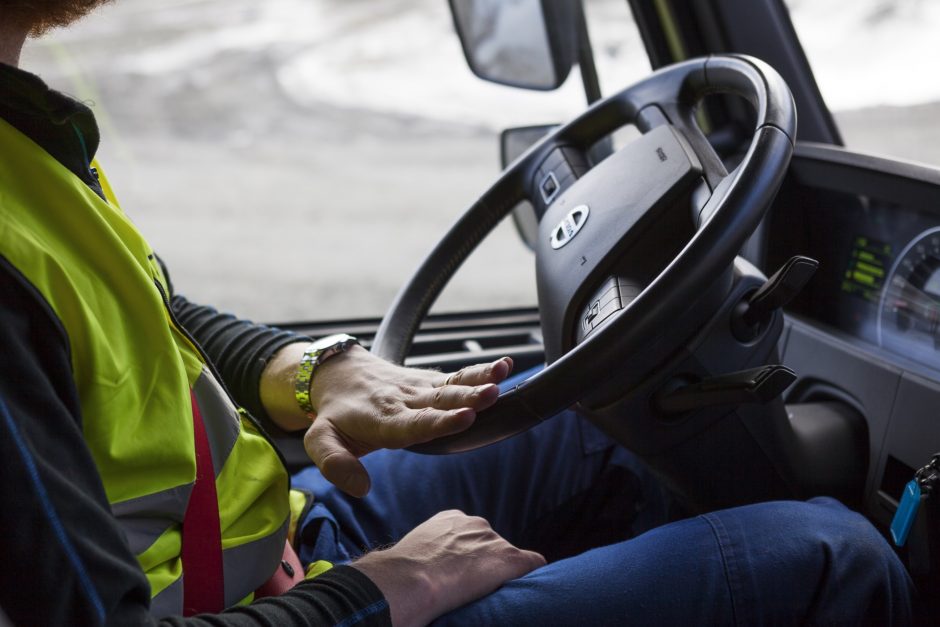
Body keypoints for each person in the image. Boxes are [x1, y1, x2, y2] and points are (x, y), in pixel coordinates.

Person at [0, 1, 915, 625]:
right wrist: (388, 587)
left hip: (275, 541)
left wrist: (318, 371)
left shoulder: (23, 140)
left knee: (584, 415)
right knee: (837, 554)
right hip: (280, 600)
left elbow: (151, 311)